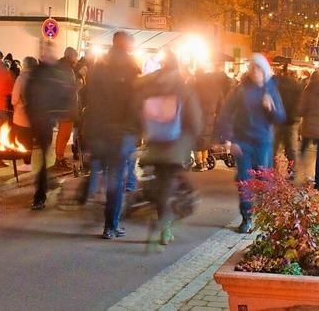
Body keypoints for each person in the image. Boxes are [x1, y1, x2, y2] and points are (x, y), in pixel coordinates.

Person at [136, 51, 202, 246]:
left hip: (154, 141)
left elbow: (139, 108)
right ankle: (165, 227)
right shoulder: (183, 86)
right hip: (175, 145)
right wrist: (191, 138)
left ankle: (161, 218)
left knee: (161, 181)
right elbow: (195, 119)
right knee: (169, 183)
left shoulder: (151, 85)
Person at [217, 54, 286, 234]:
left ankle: (268, 215)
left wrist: (271, 108)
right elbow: (225, 114)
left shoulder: (271, 90)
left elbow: (281, 117)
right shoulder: (240, 90)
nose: (254, 71)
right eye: (252, 67)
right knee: (244, 181)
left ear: (264, 71)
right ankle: (246, 217)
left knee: (264, 179)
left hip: (263, 142)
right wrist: (228, 138)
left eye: (258, 68)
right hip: (243, 142)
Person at [84, 32, 141, 239]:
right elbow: (136, 103)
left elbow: (89, 98)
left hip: (100, 129)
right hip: (121, 133)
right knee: (116, 178)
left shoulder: (99, 66)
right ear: (126, 45)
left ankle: (96, 207)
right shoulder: (132, 67)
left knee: (101, 171)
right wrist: (136, 130)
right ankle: (110, 225)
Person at [26, 42, 78, 210]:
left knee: (43, 156)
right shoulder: (45, 72)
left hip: (45, 120)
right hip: (41, 120)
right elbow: (31, 94)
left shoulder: (48, 72)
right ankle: (42, 189)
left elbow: (64, 93)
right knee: (42, 156)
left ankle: (42, 189)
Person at [273, 64, 304, 179]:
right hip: (291, 121)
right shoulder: (296, 85)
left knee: (273, 148)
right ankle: (292, 171)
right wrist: (296, 116)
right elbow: (300, 103)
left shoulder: (276, 84)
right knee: (291, 148)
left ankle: (272, 171)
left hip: (277, 120)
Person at [192, 68, 224, 172]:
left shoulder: (195, 87)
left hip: (197, 118)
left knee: (196, 143)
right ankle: (205, 162)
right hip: (211, 119)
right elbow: (221, 104)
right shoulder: (215, 89)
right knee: (206, 142)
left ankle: (199, 164)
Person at [54, 47, 80, 171]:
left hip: (61, 105)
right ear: (71, 57)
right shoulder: (66, 69)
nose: (77, 59)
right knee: (64, 134)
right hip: (66, 106)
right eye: (75, 57)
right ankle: (59, 159)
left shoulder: (61, 67)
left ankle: (59, 157)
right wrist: (79, 81)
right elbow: (69, 88)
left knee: (62, 133)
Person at [11, 56, 38, 170]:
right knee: (29, 139)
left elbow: (14, 98)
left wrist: (15, 104)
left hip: (21, 114)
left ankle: (26, 163)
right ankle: (27, 162)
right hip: (35, 114)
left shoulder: (21, 78)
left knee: (21, 138)